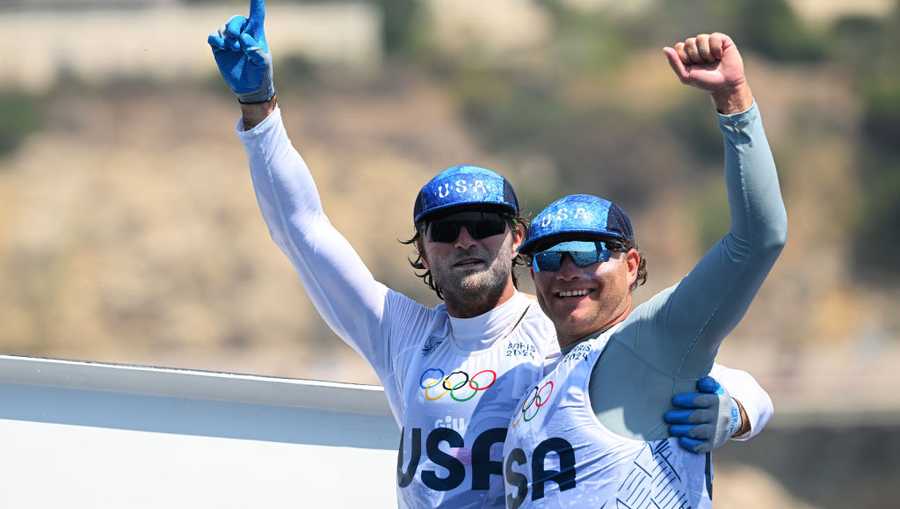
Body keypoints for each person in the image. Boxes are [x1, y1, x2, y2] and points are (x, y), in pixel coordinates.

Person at [207, 4, 773, 507]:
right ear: (422, 255)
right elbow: (305, 231)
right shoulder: (399, 336)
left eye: (483, 225)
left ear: (517, 239)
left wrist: (737, 410)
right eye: (445, 230)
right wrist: (260, 110)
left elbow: (722, 376)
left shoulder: (560, 317)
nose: (465, 241)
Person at [502, 32, 787, 508]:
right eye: (549, 259)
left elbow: (759, 238)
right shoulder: (542, 376)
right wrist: (743, 405)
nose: (567, 271)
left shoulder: (648, 340)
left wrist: (733, 100)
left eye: (587, 252)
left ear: (632, 265)